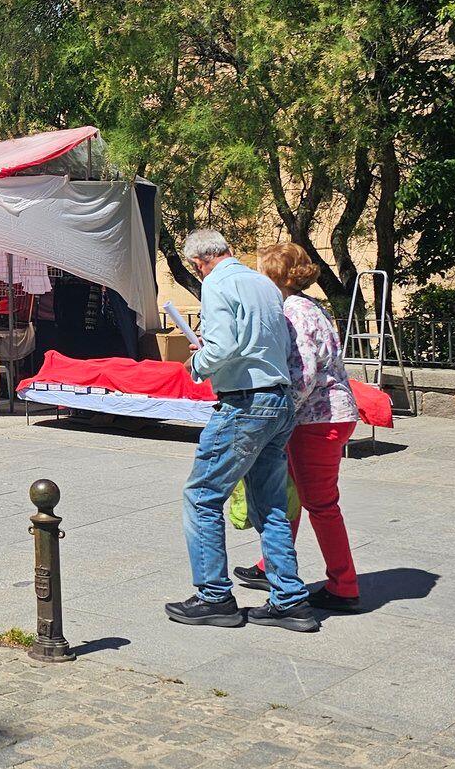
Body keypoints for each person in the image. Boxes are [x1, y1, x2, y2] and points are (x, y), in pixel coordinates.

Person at [167, 229, 317, 632]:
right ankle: (290, 599)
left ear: (199, 262)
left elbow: (222, 346)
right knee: (269, 504)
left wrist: (196, 366)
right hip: (278, 399)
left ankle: (214, 596)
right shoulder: (263, 284)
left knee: (202, 495)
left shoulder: (217, 283)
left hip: (245, 403)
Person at [237, 243, 363, 613]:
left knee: (320, 504)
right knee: (287, 491)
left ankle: (344, 585)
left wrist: (273, 412)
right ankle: (271, 564)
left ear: (274, 276)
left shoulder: (292, 311)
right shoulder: (308, 306)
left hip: (316, 420)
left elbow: (303, 373)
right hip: (323, 416)